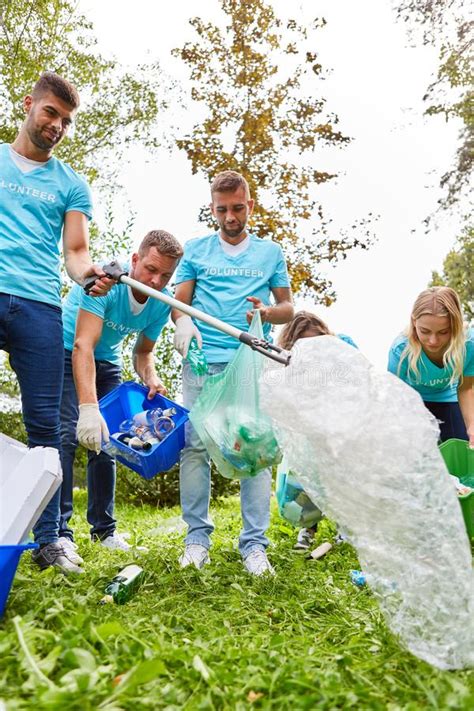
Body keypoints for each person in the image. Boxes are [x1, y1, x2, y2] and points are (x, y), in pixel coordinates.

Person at [0, 72, 113, 573]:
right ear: (29, 105)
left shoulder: (71, 184)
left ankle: (49, 540)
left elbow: (74, 252)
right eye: (51, 113)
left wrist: (88, 275)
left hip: (40, 307)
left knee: (46, 427)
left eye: (66, 121)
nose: (57, 126)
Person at [173, 170, 294, 576]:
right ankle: (196, 539)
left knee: (253, 448)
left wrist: (266, 312)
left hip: (249, 360)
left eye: (237, 208)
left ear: (250, 206)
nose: (230, 217)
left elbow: (287, 309)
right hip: (203, 359)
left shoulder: (270, 253)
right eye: (222, 209)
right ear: (212, 209)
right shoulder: (195, 250)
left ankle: (255, 546)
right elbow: (180, 303)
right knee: (193, 445)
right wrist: (183, 324)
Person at [59, 230, 183, 570]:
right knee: (70, 435)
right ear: (134, 261)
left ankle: (104, 530)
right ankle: (60, 534)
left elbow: (143, 352)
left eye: (165, 275)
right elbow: (84, 345)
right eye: (150, 269)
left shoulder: (161, 300)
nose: (155, 280)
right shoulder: (104, 283)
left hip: (107, 360)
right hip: (67, 350)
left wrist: (151, 377)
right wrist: (89, 408)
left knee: (108, 442)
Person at [277, 311, 358, 551]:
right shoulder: (289, 362)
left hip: (340, 423)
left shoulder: (342, 345)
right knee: (305, 479)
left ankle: (346, 527)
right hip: (308, 427)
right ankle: (307, 527)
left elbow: (360, 377)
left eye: (317, 342)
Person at [388, 286, 474, 446]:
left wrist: (471, 426)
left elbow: (465, 388)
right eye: (425, 331)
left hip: (448, 397)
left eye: (443, 332)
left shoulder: (469, 344)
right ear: (414, 323)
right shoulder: (400, 349)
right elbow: (395, 395)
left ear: (455, 326)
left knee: (463, 444)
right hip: (414, 402)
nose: (433, 341)